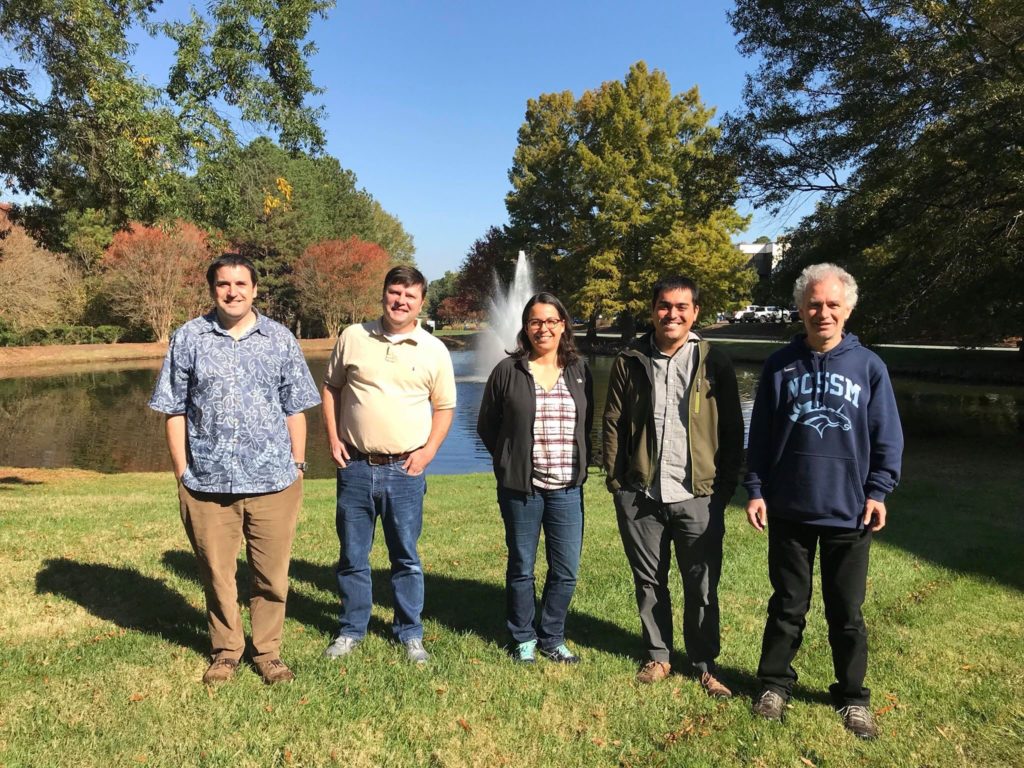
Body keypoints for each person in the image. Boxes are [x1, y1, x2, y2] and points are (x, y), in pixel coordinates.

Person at [745, 263, 903, 740]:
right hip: (791, 506)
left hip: (849, 510)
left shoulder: (868, 366)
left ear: (848, 309)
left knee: (846, 611)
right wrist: (755, 489)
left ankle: (852, 697)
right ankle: (773, 685)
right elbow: (762, 436)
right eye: (814, 304)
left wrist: (879, 490)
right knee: (788, 604)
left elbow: (886, 436)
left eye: (833, 304)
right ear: (800, 308)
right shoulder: (780, 364)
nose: (823, 312)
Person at [149, 253, 320, 685]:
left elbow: (295, 407)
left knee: (272, 575)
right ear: (213, 290)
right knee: (217, 575)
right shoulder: (189, 337)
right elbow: (173, 409)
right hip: (207, 483)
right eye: (224, 284)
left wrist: (298, 464)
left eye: (241, 284)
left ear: (255, 289)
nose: (233, 291)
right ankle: (226, 650)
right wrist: (181, 471)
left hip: (274, 482)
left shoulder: (279, 339)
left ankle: (268, 652)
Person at [603, 276, 743, 696]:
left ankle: (705, 663)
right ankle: (658, 655)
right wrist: (616, 480)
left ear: (695, 312)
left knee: (701, 583)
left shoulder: (714, 361)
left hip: (697, 494)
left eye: (682, 307)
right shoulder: (630, 359)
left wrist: (725, 488)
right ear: (653, 310)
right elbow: (612, 422)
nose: (672, 314)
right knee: (649, 581)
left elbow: (734, 429)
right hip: (641, 493)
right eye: (665, 306)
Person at [321, 265, 456, 664]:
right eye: (395, 292)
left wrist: (429, 451)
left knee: (406, 556)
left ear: (420, 302)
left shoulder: (433, 349)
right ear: (384, 294)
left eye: (409, 296)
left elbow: (445, 407)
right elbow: (331, 388)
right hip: (357, 466)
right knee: (352, 555)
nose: (400, 301)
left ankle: (410, 632)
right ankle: (351, 629)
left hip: (405, 470)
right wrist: (332, 437)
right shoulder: (353, 337)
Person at [477, 292, 594, 664]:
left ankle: (553, 636)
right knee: (522, 566)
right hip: (521, 489)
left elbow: (585, 424)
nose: (543, 328)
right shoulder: (508, 371)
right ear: (526, 328)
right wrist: (508, 460)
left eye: (551, 321)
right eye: (535, 322)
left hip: (567, 488)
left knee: (565, 569)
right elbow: (487, 426)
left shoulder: (578, 371)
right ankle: (524, 636)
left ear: (563, 326)